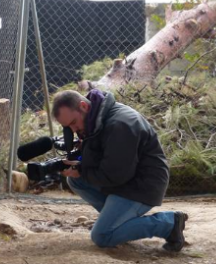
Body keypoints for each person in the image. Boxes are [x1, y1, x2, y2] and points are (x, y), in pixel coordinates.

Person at [52, 89, 189, 252]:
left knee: (102, 236)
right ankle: (119, 224)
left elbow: (115, 174)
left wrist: (82, 170)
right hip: (126, 181)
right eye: (68, 127)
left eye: (74, 122)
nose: (74, 130)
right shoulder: (95, 120)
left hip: (142, 185)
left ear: (83, 106)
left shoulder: (120, 124)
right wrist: (78, 164)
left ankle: (169, 224)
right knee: (76, 180)